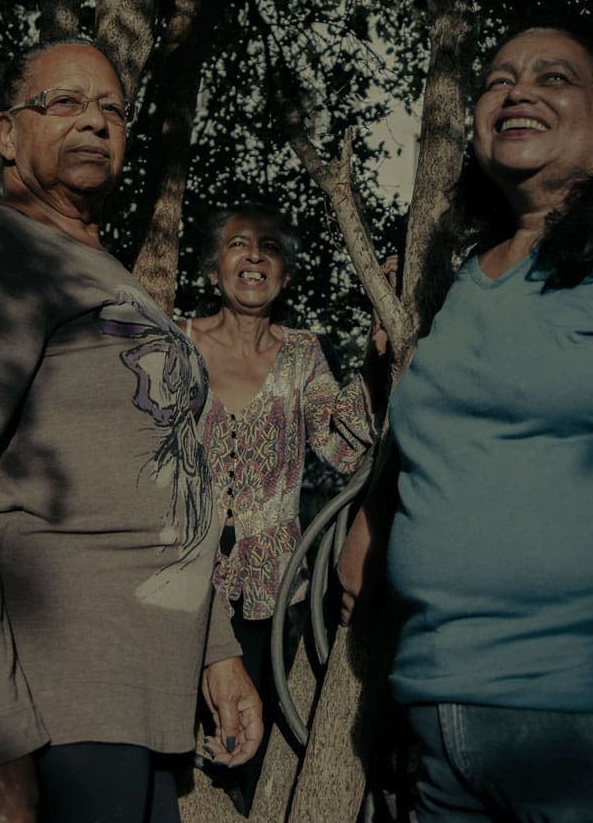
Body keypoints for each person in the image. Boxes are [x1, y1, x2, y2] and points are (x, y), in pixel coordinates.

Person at [0, 41, 261, 823]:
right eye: (66, 102)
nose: (96, 121)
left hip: (112, 706)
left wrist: (215, 649)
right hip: (21, 708)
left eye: (112, 107)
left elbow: (160, 472)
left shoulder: (105, 272)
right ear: (7, 133)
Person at [339, 20, 593, 822]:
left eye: (554, 77)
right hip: (442, 737)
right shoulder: (470, 280)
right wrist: (373, 513)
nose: (519, 89)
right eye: (498, 78)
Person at [181, 202, 387, 813]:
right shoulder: (174, 340)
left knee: (253, 752)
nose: (253, 256)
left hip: (278, 595)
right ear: (214, 267)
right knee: (178, 756)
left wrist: (379, 355)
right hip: (182, 586)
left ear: (285, 275)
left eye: (268, 248)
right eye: (238, 244)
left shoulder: (301, 353)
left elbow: (343, 447)